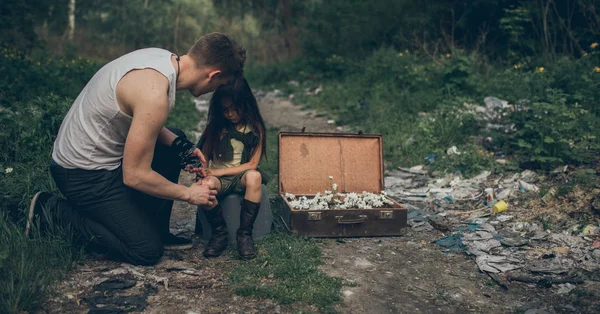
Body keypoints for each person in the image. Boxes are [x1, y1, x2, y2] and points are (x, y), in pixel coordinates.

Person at [25, 32, 246, 266]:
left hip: (96, 161)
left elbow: (141, 118)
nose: (214, 90)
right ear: (214, 74)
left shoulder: (162, 59)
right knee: (146, 250)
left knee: (177, 138)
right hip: (83, 175)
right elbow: (134, 176)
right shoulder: (154, 95)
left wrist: (179, 145)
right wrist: (188, 194)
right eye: (219, 85)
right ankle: (51, 211)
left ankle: (154, 228)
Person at [196, 77, 267, 260]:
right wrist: (204, 173)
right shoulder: (216, 127)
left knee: (255, 177)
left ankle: (244, 234)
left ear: (246, 105)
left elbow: (252, 164)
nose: (230, 114)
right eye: (225, 109)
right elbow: (205, 154)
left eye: (235, 109)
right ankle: (219, 234)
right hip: (218, 179)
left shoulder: (255, 128)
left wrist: (219, 171)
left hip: (240, 175)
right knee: (205, 186)